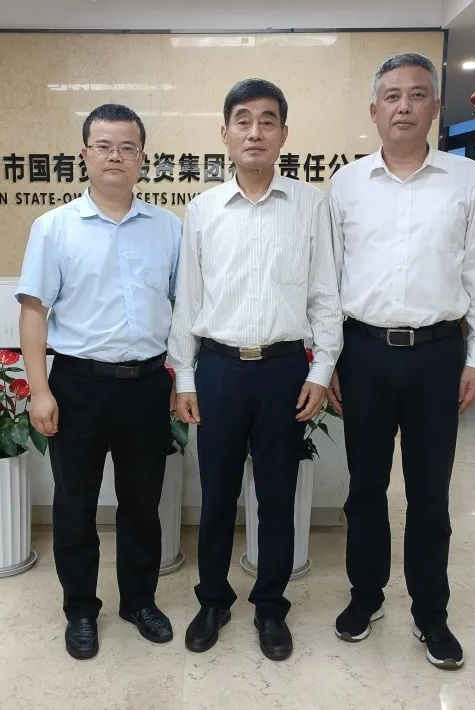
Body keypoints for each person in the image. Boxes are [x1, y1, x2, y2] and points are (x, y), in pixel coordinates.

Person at [327, 53, 475, 669]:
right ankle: (365, 596)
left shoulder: (465, 178)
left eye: (417, 95)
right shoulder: (346, 184)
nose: (404, 106)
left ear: (435, 107)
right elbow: (329, 281)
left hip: (437, 356)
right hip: (363, 354)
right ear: (373, 110)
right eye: (392, 96)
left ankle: (431, 612)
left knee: (430, 493)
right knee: (365, 488)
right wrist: (329, 361)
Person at [169, 79, 342, 662]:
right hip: (219, 368)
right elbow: (188, 301)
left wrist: (321, 370)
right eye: (242, 121)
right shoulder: (202, 210)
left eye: (267, 121)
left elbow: (325, 295)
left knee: (276, 495)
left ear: (283, 134)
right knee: (217, 494)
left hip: (284, 369)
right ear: (225, 133)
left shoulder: (311, 205)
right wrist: (185, 377)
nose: (255, 132)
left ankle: (270, 605)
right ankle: (213, 600)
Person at [16, 103, 181, 660]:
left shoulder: (168, 229)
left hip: (147, 384)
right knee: (75, 504)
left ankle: (139, 601)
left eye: (127, 147)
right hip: (77, 386)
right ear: (84, 154)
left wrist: (182, 379)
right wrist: (40, 390)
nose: (116, 156)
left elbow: (184, 308)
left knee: (143, 502)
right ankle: (81, 609)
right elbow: (34, 313)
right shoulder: (54, 227)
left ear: (143, 158)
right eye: (104, 146)